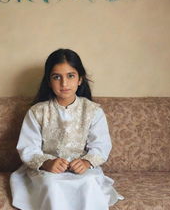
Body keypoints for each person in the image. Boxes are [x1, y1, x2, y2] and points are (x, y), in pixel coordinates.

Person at [10, 48, 123, 210]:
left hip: (81, 170)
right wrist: (46, 163)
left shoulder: (93, 111)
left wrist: (86, 162)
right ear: (49, 81)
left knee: (88, 183)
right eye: (57, 77)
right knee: (50, 185)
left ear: (80, 79)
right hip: (48, 171)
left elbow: (101, 146)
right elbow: (28, 148)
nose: (64, 83)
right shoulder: (37, 112)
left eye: (70, 76)